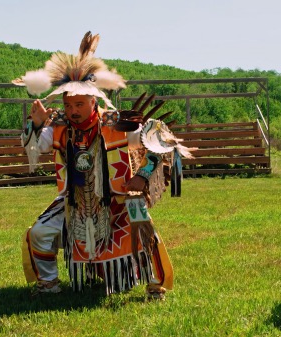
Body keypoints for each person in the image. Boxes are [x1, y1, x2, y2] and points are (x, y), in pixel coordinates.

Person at [14, 32, 191, 298]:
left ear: (93, 101)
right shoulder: (60, 127)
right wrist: (38, 124)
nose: (73, 110)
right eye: (68, 104)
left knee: (142, 225)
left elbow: (160, 137)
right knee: (40, 232)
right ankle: (48, 284)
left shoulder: (114, 124)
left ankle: (156, 285)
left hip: (117, 199)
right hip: (74, 201)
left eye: (79, 104)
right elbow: (35, 146)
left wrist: (142, 176)